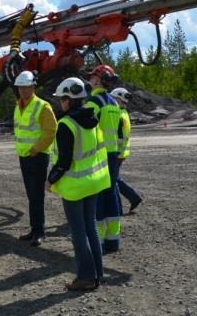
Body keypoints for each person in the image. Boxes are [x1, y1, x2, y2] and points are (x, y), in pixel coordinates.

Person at [48, 77, 110, 291]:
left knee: (78, 232)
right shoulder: (92, 118)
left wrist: (50, 180)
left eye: (61, 99)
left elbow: (63, 161)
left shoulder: (66, 124)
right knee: (91, 227)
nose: (60, 103)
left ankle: (85, 276)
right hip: (94, 182)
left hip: (75, 187)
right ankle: (97, 274)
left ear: (68, 100)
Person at [13, 70, 58, 247]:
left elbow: (51, 130)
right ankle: (34, 229)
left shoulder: (42, 106)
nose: (23, 91)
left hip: (37, 156)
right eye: (20, 88)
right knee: (31, 195)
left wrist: (36, 149)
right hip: (24, 156)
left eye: (27, 87)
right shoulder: (19, 106)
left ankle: (39, 232)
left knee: (37, 195)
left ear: (33, 87)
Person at [85, 64, 122, 254]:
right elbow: (121, 132)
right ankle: (113, 240)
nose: (90, 80)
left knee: (97, 197)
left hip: (98, 156)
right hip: (113, 155)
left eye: (92, 77)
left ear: (98, 80)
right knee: (111, 195)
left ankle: (97, 241)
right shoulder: (115, 104)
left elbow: (86, 131)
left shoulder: (93, 103)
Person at [110, 87, 142, 214]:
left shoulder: (117, 114)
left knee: (113, 181)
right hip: (122, 152)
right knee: (115, 179)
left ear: (118, 99)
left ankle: (118, 209)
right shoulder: (124, 113)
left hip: (116, 152)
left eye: (113, 99)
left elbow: (117, 136)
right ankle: (134, 198)